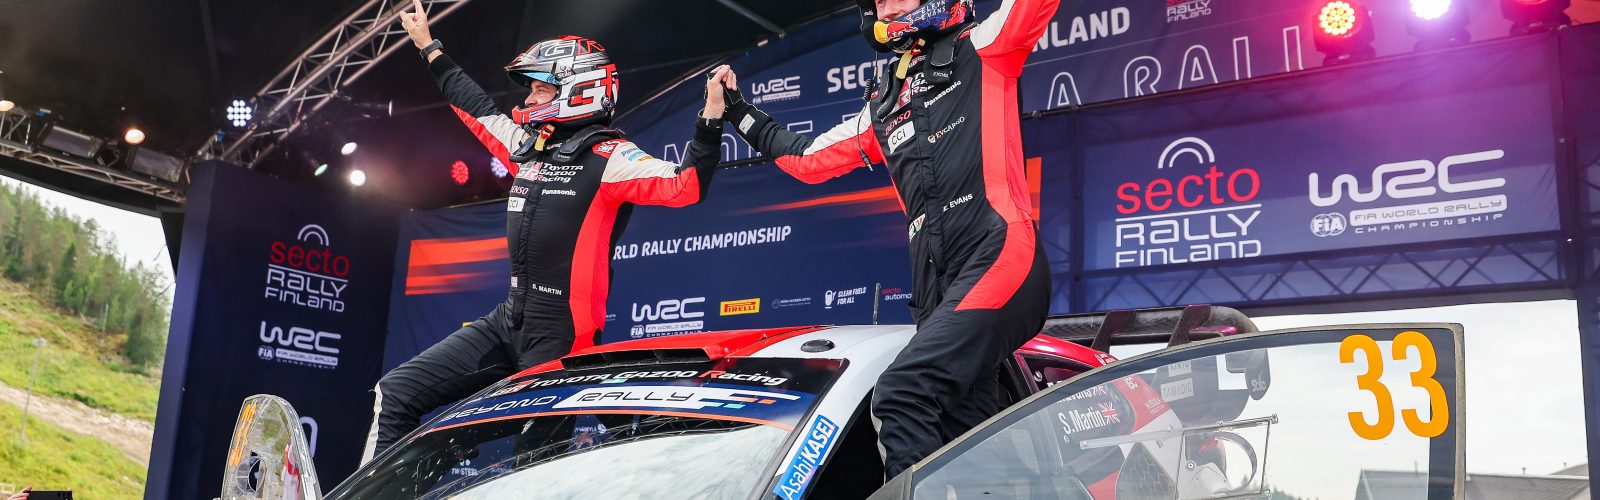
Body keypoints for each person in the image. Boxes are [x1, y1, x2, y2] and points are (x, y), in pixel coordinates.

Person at [366, 0, 730, 460]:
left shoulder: (613, 157)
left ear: (579, 91)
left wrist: (710, 117)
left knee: (530, 466)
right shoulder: (528, 147)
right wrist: (428, 46)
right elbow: (475, 106)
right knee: (397, 391)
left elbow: (686, 185)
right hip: (509, 320)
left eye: (540, 89)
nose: (530, 99)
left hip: (563, 336)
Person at [710, 0, 1058, 478]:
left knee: (902, 392)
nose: (886, 7)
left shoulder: (985, 44)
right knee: (976, 453)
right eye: (877, 0)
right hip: (936, 291)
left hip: (1000, 256)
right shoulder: (885, 103)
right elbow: (808, 160)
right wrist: (737, 111)